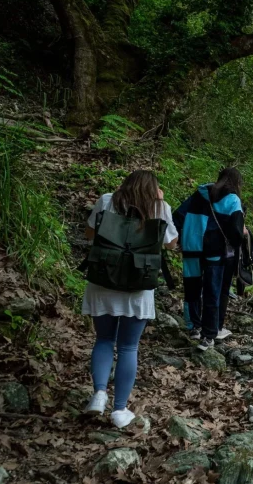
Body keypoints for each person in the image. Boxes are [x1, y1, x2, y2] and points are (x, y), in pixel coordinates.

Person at [82, 170, 178, 428]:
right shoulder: (160, 207)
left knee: (103, 339)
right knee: (128, 347)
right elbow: (171, 244)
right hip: (138, 285)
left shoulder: (106, 200)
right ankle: (119, 410)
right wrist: (160, 202)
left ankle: (99, 394)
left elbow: (90, 234)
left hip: (103, 280)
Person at [174, 168, 245, 352]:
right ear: (237, 182)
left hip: (191, 247)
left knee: (191, 288)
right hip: (214, 251)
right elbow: (236, 231)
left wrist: (180, 239)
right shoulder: (232, 199)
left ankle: (194, 327)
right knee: (212, 292)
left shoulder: (199, 194)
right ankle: (208, 335)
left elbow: (178, 216)